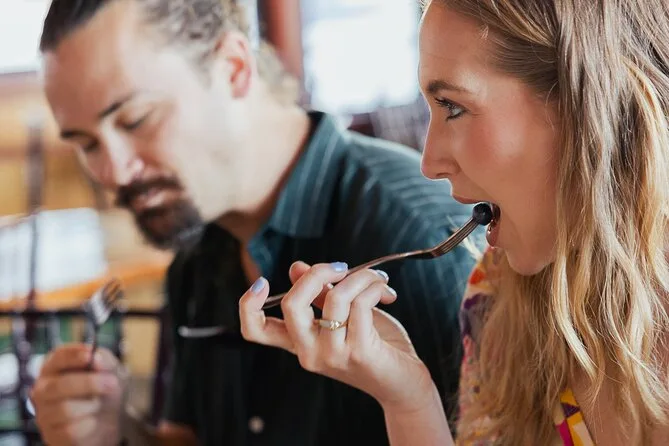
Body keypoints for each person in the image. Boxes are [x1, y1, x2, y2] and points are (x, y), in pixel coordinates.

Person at [29, 0, 482, 445]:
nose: (114, 172)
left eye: (135, 120)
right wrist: (116, 432)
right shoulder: (196, 255)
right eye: (87, 144)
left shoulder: (422, 239)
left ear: (233, 68)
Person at [239, 0, 669, 445]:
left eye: (453, 107)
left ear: (589, 105)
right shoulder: (495, 299)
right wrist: (408, 400)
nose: (429, 164)